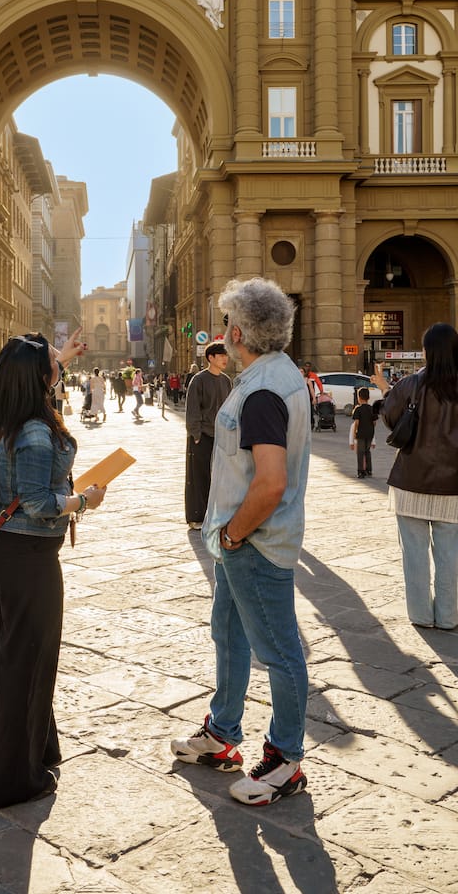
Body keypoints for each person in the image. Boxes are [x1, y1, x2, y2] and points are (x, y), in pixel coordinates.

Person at [171, 277, 311, 807]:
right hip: (239, 544)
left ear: (240, 331)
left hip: (254, 544)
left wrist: (232, 533)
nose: (225, 332)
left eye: (230, 322)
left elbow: (271, 481)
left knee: (279, 651)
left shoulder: (262, 392)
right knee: (228, 634)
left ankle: (284, 761)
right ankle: (223, 733)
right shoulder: (272, 376)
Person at [0, 330, 106, 810]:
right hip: (28, 553)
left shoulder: (18, 412)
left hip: (16, 553)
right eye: (51, 363)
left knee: (26, 657)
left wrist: (65, 357)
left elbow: (42, 372)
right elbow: (36, 502)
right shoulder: (35, 431)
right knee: (27, 663)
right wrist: (84, 500)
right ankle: (14, 780)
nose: (58, 367)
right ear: (38, 377)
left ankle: (39, 749)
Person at [372, 326, 458, 631]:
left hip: (411, 481)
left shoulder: (412, 384)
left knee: (414, 556)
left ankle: (421, 615)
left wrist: (384, 388)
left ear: (426, 351)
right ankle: (449, 616)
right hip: (453, 487)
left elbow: (391, 419)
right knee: (451, 556)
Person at [185, 340, 232, 530]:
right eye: (221, 355)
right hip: (202, 434)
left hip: (221, 436)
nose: (225, 359)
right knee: (198, 476)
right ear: (210, 358)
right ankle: (196, 517)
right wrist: (195, 433)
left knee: (222, 476)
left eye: (226, 355)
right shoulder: (199, 380)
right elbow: (193, 409)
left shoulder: (226, 380)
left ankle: (218, 514)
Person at [350, 386, 377, 478]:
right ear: (368, 397)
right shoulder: (372, 408)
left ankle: (361, 471)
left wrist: (354, 434)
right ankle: (369, 470)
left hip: (360, 433)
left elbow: (356, 423)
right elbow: (374, 422)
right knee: (367, 451)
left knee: (360, 452)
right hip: (370, 433)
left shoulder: (358, 409)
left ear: (359, 397)